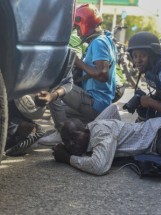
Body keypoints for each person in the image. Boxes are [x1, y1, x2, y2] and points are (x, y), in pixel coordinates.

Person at [36, 4, 117, 144]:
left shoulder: (99, 42)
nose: (77, 32)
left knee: (55, 85)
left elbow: (103, 75)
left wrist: (78, 62)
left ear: (85, 23)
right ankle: (74, 130)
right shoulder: (106, 39)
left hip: (95, 102)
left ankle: (61, 133)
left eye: (77, 27)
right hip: (100, 103)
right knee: (59, 112)